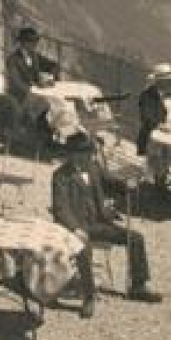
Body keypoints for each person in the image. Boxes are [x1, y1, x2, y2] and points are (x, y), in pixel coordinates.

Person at [51, 132, 164, 317]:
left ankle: (138, 286)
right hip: (77, 228)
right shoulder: (60, 176)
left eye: (89, 153)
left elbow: (110, 182)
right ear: (72, 154)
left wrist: (126, 185)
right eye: (83, 153)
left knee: (135, 238)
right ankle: (88, 297)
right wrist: (75, 228)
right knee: (83, 248)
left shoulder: (94, 167)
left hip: (99, 222)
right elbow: (60, 209)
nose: (88, 157)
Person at [5, 27, 58, 100]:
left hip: (35, 93)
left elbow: (52, 65)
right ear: (23, 43)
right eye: (31, 42)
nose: (35, 45)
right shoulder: (13, 59)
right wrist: (33, 90)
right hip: (18, 96)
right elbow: (16, 82)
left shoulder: (34, 56)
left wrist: (49, 79)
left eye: (36, 41)